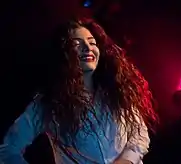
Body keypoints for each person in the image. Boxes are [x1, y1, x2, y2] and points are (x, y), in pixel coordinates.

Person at [0, 17, 158, 164]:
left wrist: (126, 160)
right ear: (63, 54)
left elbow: (139, 133)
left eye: (92, 42)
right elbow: (8, 149)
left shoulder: (116, 92)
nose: (88, 48)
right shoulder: (48, 103)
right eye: (77, 44)